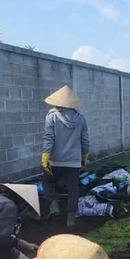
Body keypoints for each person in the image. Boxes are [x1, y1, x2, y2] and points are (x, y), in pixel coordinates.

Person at [41, 85, 89, 227]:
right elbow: (85, 140)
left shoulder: (51, 117)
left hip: (55, 161)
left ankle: (54, 207)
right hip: (73, 162)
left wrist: (45, 158)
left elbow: (48, 138)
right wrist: (84, 156)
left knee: (48, 181)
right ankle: (71, 219)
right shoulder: (81, 119)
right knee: (73, 190)